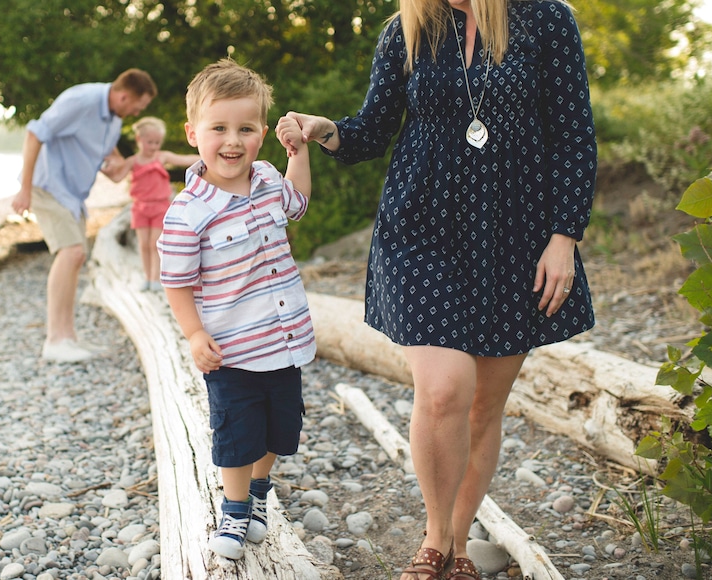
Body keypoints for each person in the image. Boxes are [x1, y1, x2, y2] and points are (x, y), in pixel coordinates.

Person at [285, 0, 596, 578]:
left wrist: (564, 237)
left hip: (516, 232)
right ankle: (435, 540)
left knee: (483, 407)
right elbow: (373, 130)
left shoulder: (548, 19)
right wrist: (326, 131)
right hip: (421, 225)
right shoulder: (407, 29)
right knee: (444, 390)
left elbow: (575, 134)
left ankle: (458, 540)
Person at [157, 58, 316, 560]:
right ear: (192, 134)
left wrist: (299, 153)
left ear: (262, 134)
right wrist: (193, 334)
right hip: (231, 349)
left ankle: (261, 493)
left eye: (245, 129)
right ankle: (234, 506)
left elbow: (299, 203)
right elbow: (177, 282)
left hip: (284, 340)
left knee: (278, 428)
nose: (232, 140)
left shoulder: (269, 179)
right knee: (235, 432)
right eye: (219, 128)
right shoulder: (188, 211)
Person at [12, 68, 157, 363]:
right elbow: (34, 133)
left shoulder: (114, 120)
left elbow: (110, 163)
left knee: (76, 257)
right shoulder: (81, 100)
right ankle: (55, 340)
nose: (135, 113)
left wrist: (120, 164)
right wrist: (24, 189)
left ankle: (68, 337)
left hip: (72, 196)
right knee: (71, 252)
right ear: (124, 95)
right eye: (136, 107)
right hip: (47, 185)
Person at [104, 116, 199, 292]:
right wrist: (105, 170)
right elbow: (117, 177)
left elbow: (184, 159)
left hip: (159, 206)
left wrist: (207, 156)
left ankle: (156, 278)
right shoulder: (132, 161)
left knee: (155, 243)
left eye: (157, 143)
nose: (154, 146)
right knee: (143, 244)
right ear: (139, 140)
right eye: (150, 142)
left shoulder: (161, 157)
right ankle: (147, 277)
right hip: (140, 207)